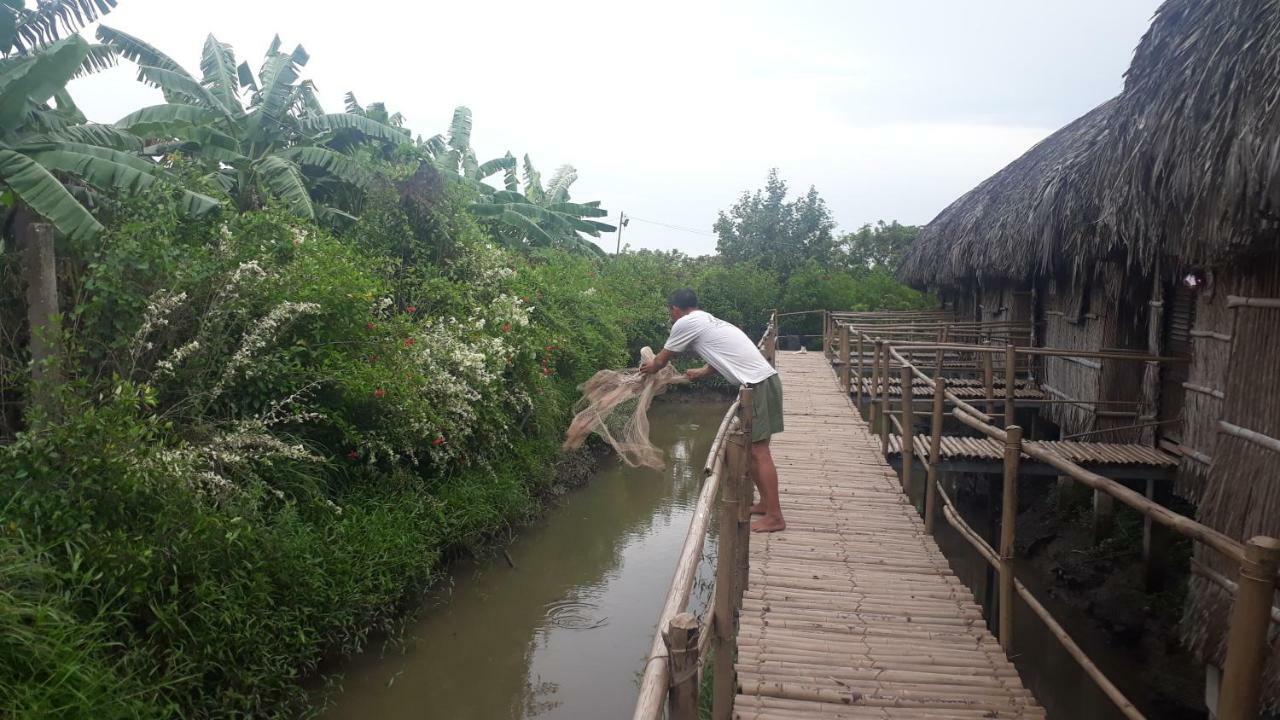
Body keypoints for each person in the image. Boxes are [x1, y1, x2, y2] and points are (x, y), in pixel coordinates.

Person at [640, 289, 785, 532]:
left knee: (760, 452)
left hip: (758, 385)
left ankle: (775, 516)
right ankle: (765, 504)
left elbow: (661, 361)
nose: (671, 316)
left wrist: (648, 368)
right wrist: (703, 372)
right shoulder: (707, 319)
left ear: (675, 309)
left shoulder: (685, 323)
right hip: (758, 384)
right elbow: (725, 353)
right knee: (752, 451)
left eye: (670, 312)